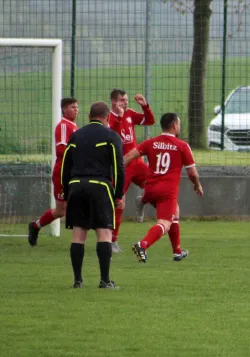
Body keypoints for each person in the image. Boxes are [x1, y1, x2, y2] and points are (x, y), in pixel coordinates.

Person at [61, 101, 125, 288]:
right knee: (104, 232)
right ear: (107, 118)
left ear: (89, 117)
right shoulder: (111, 136)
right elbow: (118, 166)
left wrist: (66, 191)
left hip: (76, 186)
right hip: (100, 186)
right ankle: (105, 280)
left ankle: (77, 280)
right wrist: (118, 194)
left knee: (79, 233)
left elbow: (66, 165)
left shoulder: (75, 136)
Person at [127, 113, 203, 263]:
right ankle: (142, 245)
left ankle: (177, 251)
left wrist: (116, 167)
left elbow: (130, 155)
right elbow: (192, 173)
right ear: (174, 125)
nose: (179, 127)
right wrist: (197, 185)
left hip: (150, 188)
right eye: (179, 124)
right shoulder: (182, 146)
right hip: (167, 192)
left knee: (175, 211)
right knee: (165, 223)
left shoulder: (151, 142)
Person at [108, 88, 155, 253]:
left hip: (137, 162)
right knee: (119, 204)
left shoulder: (130, 114)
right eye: (122, 100)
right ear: (114, 102)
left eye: (126, 100)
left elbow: (150, 121)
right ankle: (112, 241)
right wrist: (120, 116)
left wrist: (145, 106)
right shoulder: (109, 117)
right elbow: (110, 134)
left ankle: (141, 201)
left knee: (156, 186)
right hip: (121, 166)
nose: (125, 103)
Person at [28, 98, 79, 246]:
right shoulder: (63, 126)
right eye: (72, 107)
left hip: (73, 172)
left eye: (77, 107)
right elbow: (61, 150)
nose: (76, 109)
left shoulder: (74, 126)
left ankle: (80, 239)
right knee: (61, 210)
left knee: (75, 205)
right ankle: (35, 226)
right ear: (64, 109)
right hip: (63, 173)